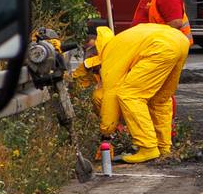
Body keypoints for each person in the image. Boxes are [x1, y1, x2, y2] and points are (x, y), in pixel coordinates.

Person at [75, 22, 191, 163]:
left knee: (130, 94)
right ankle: (164, 147)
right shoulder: (118, 42)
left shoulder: (110, 55)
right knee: (160, 99)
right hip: (180, 41)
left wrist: (106, 134)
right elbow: (82, 75)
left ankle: (148, 147)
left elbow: (110, 96)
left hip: (160, 47)